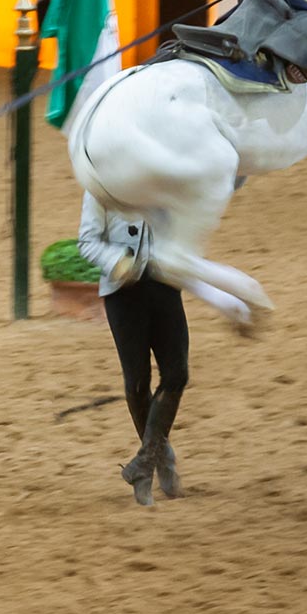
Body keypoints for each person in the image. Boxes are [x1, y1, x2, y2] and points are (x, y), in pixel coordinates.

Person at [78, 192, 188, 507]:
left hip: (166, 286)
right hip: (122, 293)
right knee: (137, 383)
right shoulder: (100, 183)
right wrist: (116, 263)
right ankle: (160, 457)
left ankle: (144, 462)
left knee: (177, 374)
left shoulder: (168, 174)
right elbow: (87, 240)